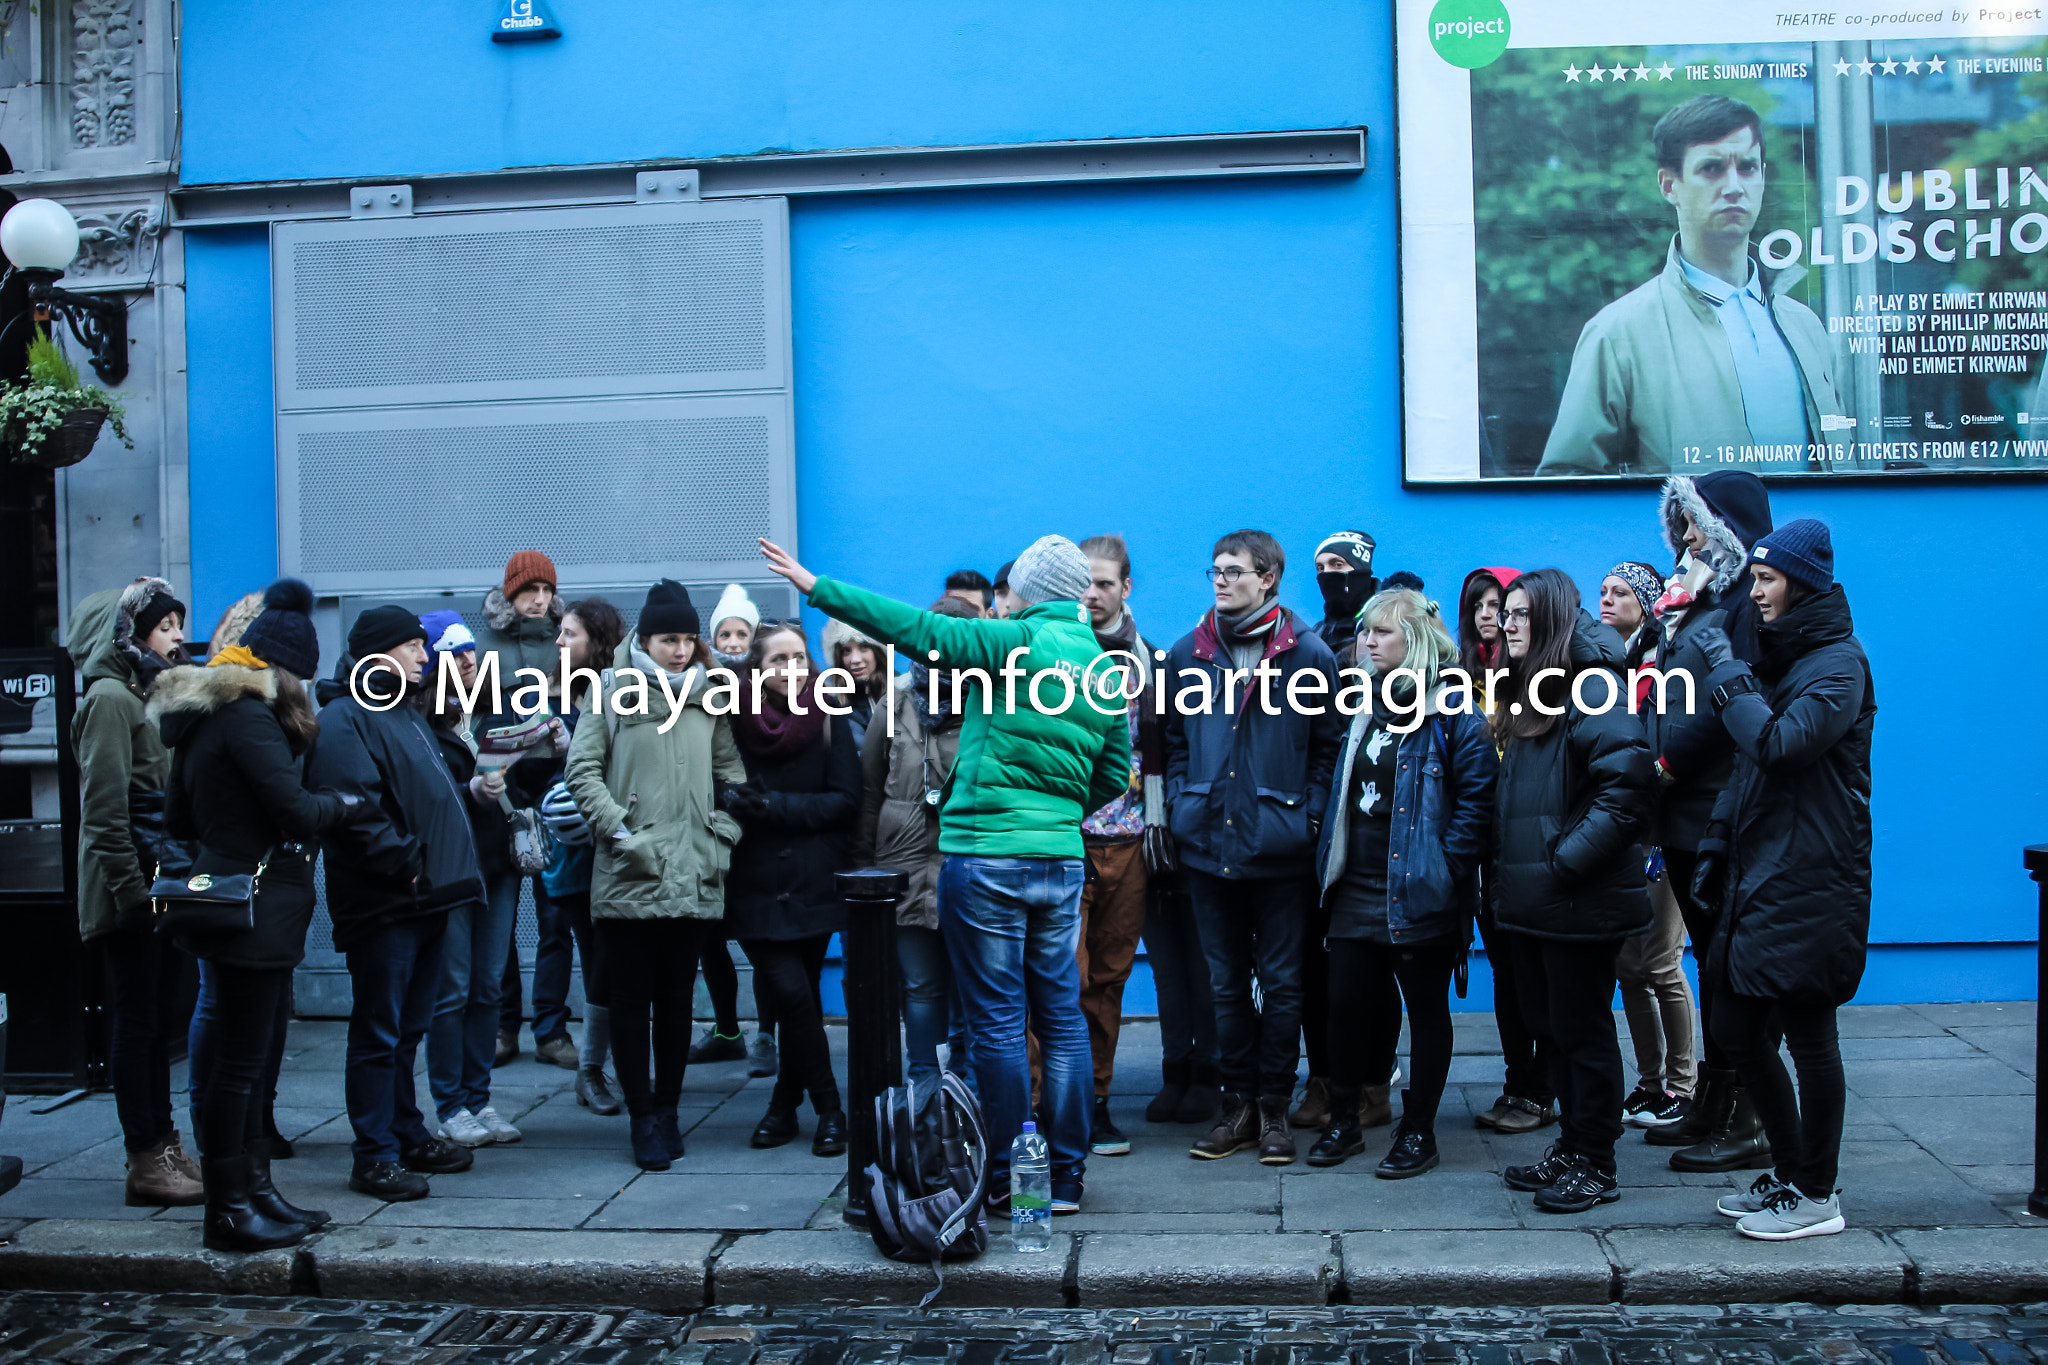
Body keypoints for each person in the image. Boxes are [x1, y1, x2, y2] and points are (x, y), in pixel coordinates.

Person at [759, 533, 1130, 1214]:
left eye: (1014, 586)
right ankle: (1067, 1177)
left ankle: (1012, 1178)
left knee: (995, 1023)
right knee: (1063, 1018)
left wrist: (818, 588)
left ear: (1031, 590)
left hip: (986, 853)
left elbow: (918, 628)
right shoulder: (1101, 664)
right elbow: (1113, 771)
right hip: (1060, 860)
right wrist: (1055, 813)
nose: (1005, 597)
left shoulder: (1012, 642)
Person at [149, 579, 367, 1250]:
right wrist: (345, 803)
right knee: (239, 1067)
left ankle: (254, 1190)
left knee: (241, 1060)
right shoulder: (247, 717)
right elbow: (295, 811)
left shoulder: (211, 716)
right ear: (278, 669)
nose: (301, 687)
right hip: (253, 910)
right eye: (298, 674)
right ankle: (230, 1207)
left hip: (237, 902)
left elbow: (178, 816)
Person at [1693, 519, 1875, 1240]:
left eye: (1766, 581)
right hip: (1761, 873)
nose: (1756, 593)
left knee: (1809, 1034)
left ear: (1800, 583)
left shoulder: (1838, 664)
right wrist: (1714, 844)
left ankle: (1816, 1192)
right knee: (1737, 1029)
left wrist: (1726, 670)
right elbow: (1747, 770)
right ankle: (1793, 1168)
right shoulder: (1789, 656)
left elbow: (1777, 744)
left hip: (1810, 878)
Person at [1540, 95, 1848, 476]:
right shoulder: (1618, 333)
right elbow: (1567, 484)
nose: (1734, 186)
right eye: (1712, 169)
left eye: (1748, 167)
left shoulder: (1803, 325)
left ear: (1763, 176)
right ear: (1669, 185)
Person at [1163, 530, 1343, 1167]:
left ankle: (1274, 1108)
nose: (1220, 580)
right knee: (1225, 985)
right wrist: (1184, 804)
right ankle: (1235, 1106)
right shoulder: (1188, 654)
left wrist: (1312, 818)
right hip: (1209, 846)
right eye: (1214, 570)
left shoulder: (1312, 657)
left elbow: (1329, 747)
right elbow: (1175, 744)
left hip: (1280, 848)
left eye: (1234, 571)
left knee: (1286, 985)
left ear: (1268, 578)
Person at [1308, 589, 1496, 1177]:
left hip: (1419, 891)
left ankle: (1419, 1133)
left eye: (1382, 633)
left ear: (1414, 640)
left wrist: (1442, 869)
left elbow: (1476, 805)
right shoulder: (1363, 705)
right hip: (1355, 886)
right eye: (1366, 631)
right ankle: (1344, 1119)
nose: (1367, 641)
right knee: (1344, 1007)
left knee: (1425, 1011)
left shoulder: (1454, 714)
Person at [563, 581, 746, 1172]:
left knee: (675, 1001)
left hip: (693, 868)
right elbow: (581, 769)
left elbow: (730, 772)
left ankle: (667, 1111)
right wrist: (619, 830)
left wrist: (724, 830)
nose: (681, 650)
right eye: (670, 639)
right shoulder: (611, 690)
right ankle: (642, 1114)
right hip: (631, 869)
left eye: (689, 639)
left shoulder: (707, 693)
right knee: (629, 999)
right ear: (644, 639)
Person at [1490, 570, 1655, 1213]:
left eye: (1522, 614)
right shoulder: (1537, 686)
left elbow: (1628, 786)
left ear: (1554, 618)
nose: (1508, 624)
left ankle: (1598, 1162)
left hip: (1578, 899)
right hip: (1535, 900)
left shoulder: (1594, 685)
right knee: (1550, 1029)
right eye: (1506, 613)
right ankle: (1573, 1145)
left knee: (1582, 1033)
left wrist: (1565, 863)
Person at [308, 605, 483, 1202]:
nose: (423, 655)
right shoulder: (343, 718)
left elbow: (431, 787)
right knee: (379, 1032)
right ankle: (373, 1154)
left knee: (408, 1028)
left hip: (428, 896)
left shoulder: (403, 709)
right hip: (388, 903)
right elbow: (355, 808)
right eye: (411, 646)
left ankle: (407, 1132)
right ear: (378, 654)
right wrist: (408, 865)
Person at [1644, 470, 1776, 1172]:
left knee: (1732, 968)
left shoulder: (1743, 606)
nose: (1684, 536)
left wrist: (1664, 762)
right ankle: (1712, 1101)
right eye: (1681, 523)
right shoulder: (1695, 601)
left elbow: (1729, 706)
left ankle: (1749, 1114)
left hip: (1716, 808)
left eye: (1694, 522)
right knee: (1710, 958)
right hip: (1681, 812)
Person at [68, 576, 204, 1208]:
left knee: (158, 1025)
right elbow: (103, 811)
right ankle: (146, 1156)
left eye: (178, 624)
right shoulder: (110, 701)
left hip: (160, 886)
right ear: (130, 632)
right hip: (132, 895)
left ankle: (165, 1146)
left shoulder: (147, 694)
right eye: (165, 626)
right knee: (138, 1023)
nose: (177, 636)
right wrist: (133, 895)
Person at [1050, 534, 1169, 1155]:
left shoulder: (1152, 661)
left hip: (1128, 843)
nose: (1092, 594)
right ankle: (1048, 1107)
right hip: (1063, 844)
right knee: (1059, 978)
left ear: (1125, 588)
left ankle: (1094, 1103)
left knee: (1109, 981)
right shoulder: (1052, 652)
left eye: (1103, 583)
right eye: (1083, 583)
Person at [725, 621, 858, 1156]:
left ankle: (783, 1105)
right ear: (756, 666)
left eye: (799, 658)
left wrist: (775, 807)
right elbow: (719, 787)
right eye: (778, 660)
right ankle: (830, 1109)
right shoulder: (731, 715)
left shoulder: (828, 715)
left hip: (812, 882)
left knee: (794, 997)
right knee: (792, 993)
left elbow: (846, 800)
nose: (792, 669)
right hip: (752, 882)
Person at [854, 597, 980, 1100]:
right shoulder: (896, 701)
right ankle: (924, 1089)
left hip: (969, 866)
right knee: (922, 989)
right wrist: (865, 870)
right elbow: (870, 791)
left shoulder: (992, 700)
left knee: (974, 990)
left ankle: (970, 1087)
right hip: (904, 867)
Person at [1295, 529, 1399, 1133]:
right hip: (1318, 818)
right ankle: (1325, 1075)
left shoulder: (1382, 632)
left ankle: (1372, 1081)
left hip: (1370, 819)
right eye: (1322, 566)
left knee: (1371, 965)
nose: (1331, 575)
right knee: (1316, 964)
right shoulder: (1309, 640)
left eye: (1341, 566)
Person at [1455, 565, 1555, 1137]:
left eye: (1503, 606)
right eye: (1481, 606)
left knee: (1536, 977)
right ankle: (1521, 1083)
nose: (1491, 615)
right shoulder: (1462, 679)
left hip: (1531, 847)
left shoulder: (1534, 680)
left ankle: (1544, 1087)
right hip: (1488, 851)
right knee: (1506, 976)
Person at [420, 610, 525, 1149]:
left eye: (469, 653)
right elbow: (423, 799)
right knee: (453, 988)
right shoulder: (419, 723)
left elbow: (526, 781)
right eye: (453, 654)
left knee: (488, 985)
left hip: (499, 866)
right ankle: (451, 1104)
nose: (467, 661)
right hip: (451, 873)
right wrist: (470, 792)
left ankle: (479, 1099)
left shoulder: (497, 712)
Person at [1602, 561, 1699, 1131]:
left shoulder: (1660, 663)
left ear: (1646, 601)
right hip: (1626, 831)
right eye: (1604, 592)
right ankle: (1648, 1082)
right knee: (1628, 965)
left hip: (1661, 830)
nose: (1608, 600)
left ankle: (1683, 1087)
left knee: (1660, 959)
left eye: (1621, 593)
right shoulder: (1607, 665)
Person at [535, 598, 626, 1116]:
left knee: (625, 964)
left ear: (597, 640)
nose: (559, 643)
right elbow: (529, 779)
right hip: (575, 859)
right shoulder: (547, 695)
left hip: (622, 852)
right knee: (599, 965)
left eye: (569, 634)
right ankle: (592, 1070)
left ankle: (620, 1063)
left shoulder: (621, 691)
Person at [476, 549, 564, 1067]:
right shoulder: (483, 647)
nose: (539, 599)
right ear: (510, 593)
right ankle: (503, 1027)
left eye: (547, 590)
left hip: (554, 796)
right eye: (530, 590)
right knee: (500, 920)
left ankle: (552, 1032)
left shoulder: (564, 643)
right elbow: (470, 719)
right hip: (499, 796)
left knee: (556, 921)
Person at [823, 616, 889, 751]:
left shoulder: (903, 696)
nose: (855, 660)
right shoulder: (830, 703)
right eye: (846, 651)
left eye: (864, 647)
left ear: (878, 651)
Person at [709, 583, 759, 665]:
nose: (733, 644)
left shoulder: (768, 671)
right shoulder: (701, 673)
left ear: (754, 638)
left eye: (742, 634)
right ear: (714, 641)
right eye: (725, 635)